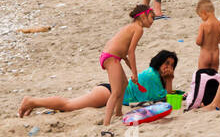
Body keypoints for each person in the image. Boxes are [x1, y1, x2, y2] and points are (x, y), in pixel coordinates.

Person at [18, 46, 174, 120]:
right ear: (159, 62)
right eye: (166, 63)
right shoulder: (151, 75)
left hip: (111, 92)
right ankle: (32, 101)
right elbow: (164, 100)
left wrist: (168, 80)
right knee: (68, 105)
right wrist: (169, 80)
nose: (168, 68)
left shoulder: (156, 76)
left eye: (172, 65)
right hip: (107, 93)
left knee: (68, 106)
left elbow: (164, 96)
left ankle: (34, 103)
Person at [98, 5, 154, 127]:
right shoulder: (138, 29)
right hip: (111, 58)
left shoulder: (131, 27)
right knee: (116, 91)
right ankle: (106, 123)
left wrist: (133, 71)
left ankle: (118, 113)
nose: (153, 20)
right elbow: (131, 52)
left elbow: (124, 54)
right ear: (143, 16)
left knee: (124, 84)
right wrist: (134, 73)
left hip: (110, 57)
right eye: (152, 17)